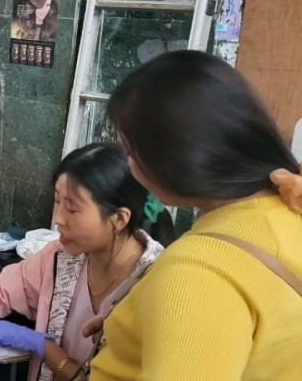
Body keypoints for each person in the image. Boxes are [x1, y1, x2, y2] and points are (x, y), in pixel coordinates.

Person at [88, 51, 302, 380]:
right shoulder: (288, 210)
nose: (129, 167)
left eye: (131, 152)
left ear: (177, 159)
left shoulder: (198, 271)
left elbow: (206, 299)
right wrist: (134, 325)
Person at [0, 143, 165, 381]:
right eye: (56, 201)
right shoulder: (61, 257)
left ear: (119, 219)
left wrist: (44, 347)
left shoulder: (157, 284)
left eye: (72, 209)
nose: (58, 219)